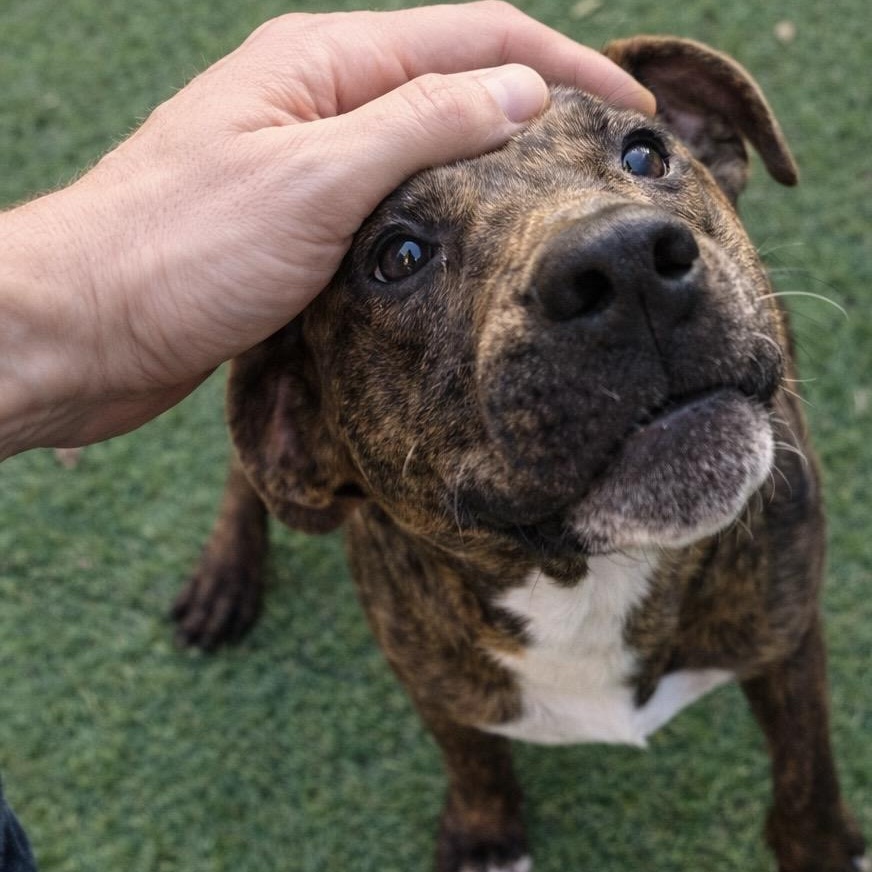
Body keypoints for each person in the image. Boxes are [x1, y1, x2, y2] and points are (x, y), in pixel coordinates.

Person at [0, 3, 653, 865]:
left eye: (643, 157)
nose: (630, 241)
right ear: (292, 441)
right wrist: (82, 295)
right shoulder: (315, 433)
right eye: (403, 257)